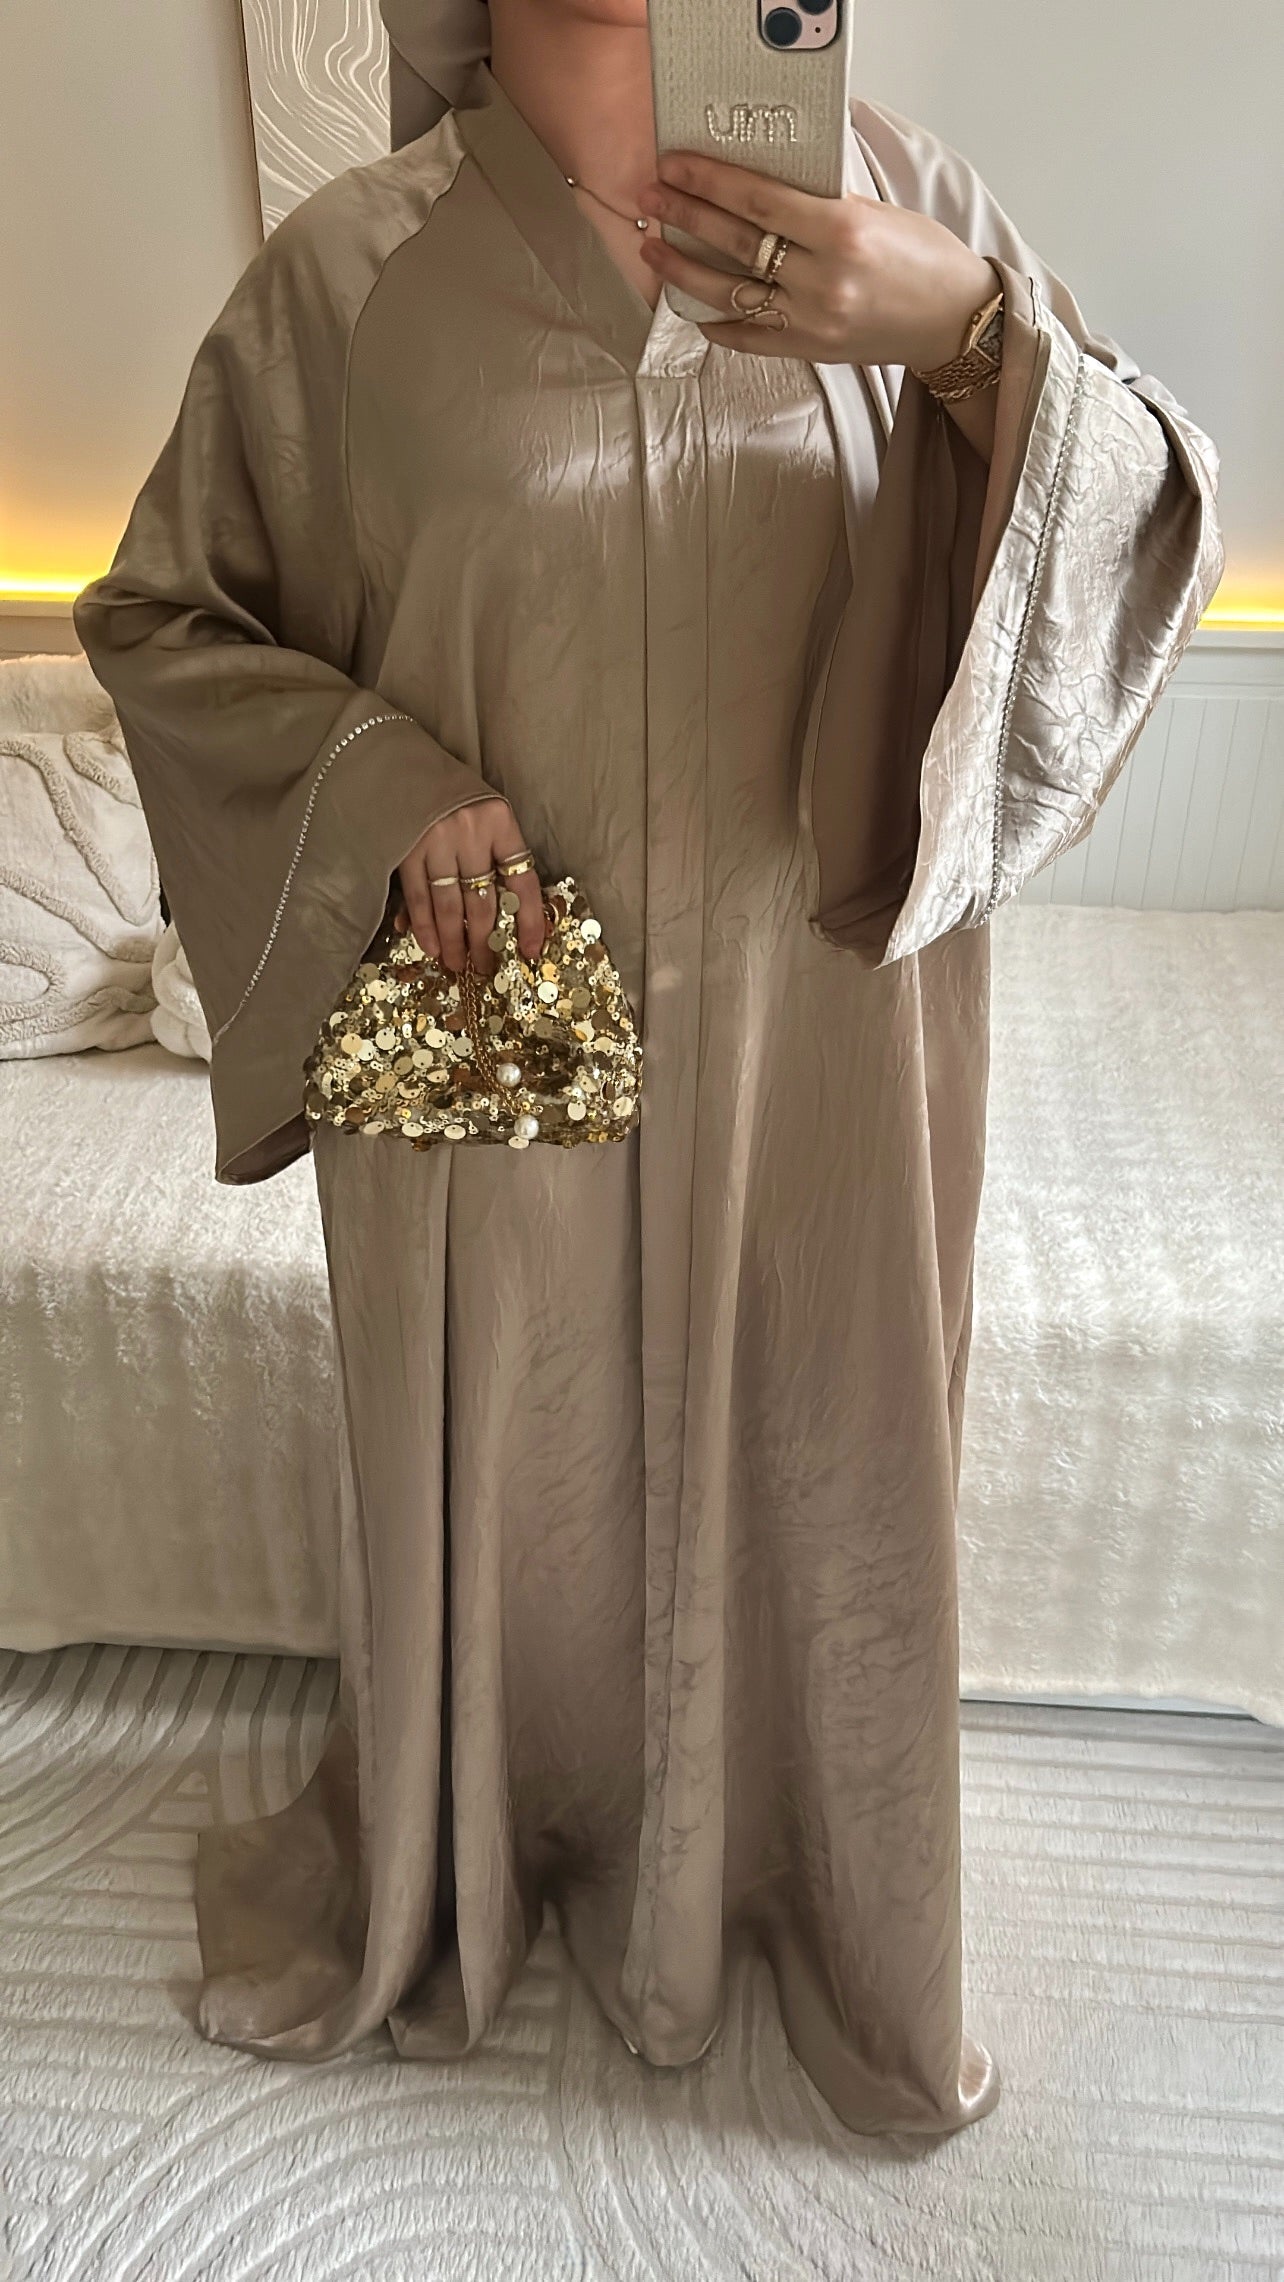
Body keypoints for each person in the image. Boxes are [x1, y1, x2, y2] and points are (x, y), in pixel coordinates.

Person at [72, 0, 1223, 2139]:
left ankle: (801, 1867)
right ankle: (489, 1836)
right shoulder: (349, 277)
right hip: (489, 983)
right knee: (513, 1440)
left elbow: (1143, 521)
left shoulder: (911, 205)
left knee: (823, 1416)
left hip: (825, 1026)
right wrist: (373, 771)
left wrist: (970, 336)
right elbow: (163, 616)